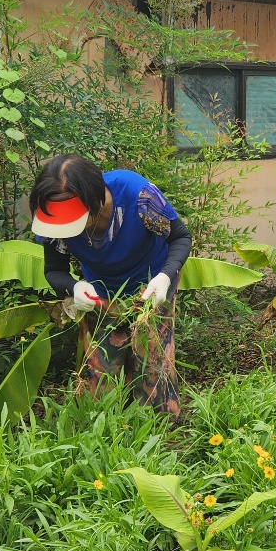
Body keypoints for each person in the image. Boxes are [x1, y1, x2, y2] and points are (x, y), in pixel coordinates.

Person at [31, 153, 191, 416]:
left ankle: (161, 435)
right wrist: (74, 288)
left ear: (96, 200)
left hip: (152, 286)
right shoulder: (53, 213)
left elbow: (180, 237)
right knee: (98, 374)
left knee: (152, 365)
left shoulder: (137, 195)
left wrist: (164, 278)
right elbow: (54, 270)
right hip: (99, 292)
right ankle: (101, 432)